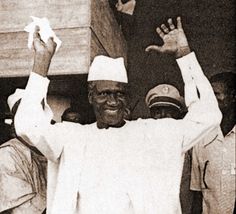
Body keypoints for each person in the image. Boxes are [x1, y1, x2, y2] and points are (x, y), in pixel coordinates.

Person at [14, 17, 222, 213]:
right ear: (91, 97)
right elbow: (27, 126)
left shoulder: (154, 133)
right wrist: (41, 61)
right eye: (104, 94)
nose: (113, 101)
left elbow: (209, 116)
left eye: (119, 94)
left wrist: (184, 55)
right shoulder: (73, 137)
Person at [191, 72, 236, 214]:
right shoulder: (201, 138)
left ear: (233, 96)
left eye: (216, 94)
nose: (210, 100)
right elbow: (197, 194)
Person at [145, 84, 194, 214]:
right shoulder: (141, 142)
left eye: (169, 112)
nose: (163, 116)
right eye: (157, 111)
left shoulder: (189, 142)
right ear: (150, 114)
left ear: (178, 115)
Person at [0, 89, 47, 214]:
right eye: (28, 114)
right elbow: (22, 210)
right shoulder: (7, 154)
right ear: (16, 122)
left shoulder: (48, 150)